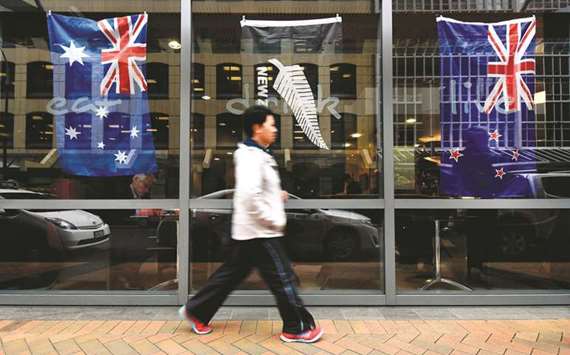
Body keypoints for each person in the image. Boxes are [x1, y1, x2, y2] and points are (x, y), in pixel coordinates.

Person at [179, 105, 323, 343]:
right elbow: (248, 196)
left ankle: (196, 311)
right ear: (257, 128)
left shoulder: (259, 154)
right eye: (271, 124)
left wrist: (277, 195)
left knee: (231, 274)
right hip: (260, 231)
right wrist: (272, 218)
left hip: (251, 230)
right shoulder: (250, 156)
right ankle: (297, 328)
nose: (275, 129)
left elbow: (257, 191)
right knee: (282, 277)